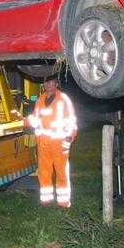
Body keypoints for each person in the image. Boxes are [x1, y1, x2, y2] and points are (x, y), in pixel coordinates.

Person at [27, 75, 78, 207]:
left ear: (56, 83)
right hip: (43, 143)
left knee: (61, 173)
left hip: (59, 143)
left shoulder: (64, 99)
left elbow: (72, 122)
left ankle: (63, 202)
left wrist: (69, 139)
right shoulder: (40, 100)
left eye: (51, 81)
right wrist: (21, 121)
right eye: (46, 81)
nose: (48, 84)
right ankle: (46, 199)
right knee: (43, 172)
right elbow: (35, 119)